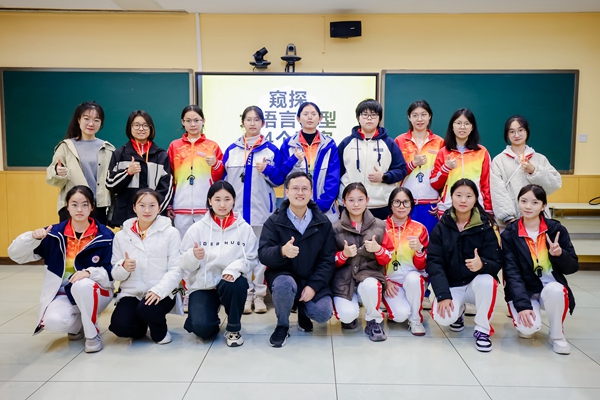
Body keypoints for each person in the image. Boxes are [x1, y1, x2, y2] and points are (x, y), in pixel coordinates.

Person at [8, 185, 114, 353]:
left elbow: (111, 272)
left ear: (92, 207)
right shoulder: (53, 233)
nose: (79, 209)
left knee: (82, 285)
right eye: (74, 204)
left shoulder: (105, 235)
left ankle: (92, 334)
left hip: (97, 291)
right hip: (64, 294)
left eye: (85, 204)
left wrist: (89, 273)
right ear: (67, 206)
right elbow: (15, 255)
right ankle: (78, 326)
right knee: (53, 322)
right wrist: (31, 238)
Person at [258, 171, 336, 348]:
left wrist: (313, 286)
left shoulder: (323, 222)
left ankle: (303, 311)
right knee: (285, 284)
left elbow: (327, 260)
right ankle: (282, 325)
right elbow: (263, 253)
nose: (300, 193)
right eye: (295, 188)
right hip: (284, 275)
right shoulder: (274, 221)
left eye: (304, 189)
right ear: (286, 192)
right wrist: (282, 251)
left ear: (311, 193)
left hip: (311, 277)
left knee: (323, 313)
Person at [180, 181, 258, 347]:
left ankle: (233, 328)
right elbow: (183, 263)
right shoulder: (197, 229)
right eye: (217, 199)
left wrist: (233, 269)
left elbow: (252, 259)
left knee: (235, 284)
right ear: (209, 201)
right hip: (204, 285)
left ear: (233, 200)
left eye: (227, 199)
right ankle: (207, 315)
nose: (222, 204)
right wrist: (193, 256)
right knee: (203, 330)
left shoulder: (244, 228)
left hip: (231, 283)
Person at [502, 184, 578, 354]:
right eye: (524, 201)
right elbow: (512, 273)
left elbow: (573, 266)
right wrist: (522, 305)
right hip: (526, 290)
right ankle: (522, 315)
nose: (528, 206)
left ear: (543, 206)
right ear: (518, 203)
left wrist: (560, 254)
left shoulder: (556, 230)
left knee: (556, 290)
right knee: (528, 329)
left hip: (550, 288)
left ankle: (557, 335)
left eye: (535, 202)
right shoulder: (509, 234)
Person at [428, 179, 502, 352]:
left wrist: (482, 264)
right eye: (458, 195)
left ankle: (482, 330)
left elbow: (497, 262)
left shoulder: (486, 226)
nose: (463, 200)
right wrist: (443, 295)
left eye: (468, 196)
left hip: (476, 286)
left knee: (487, 281)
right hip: (453, 285)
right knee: (442, 318)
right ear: (451, 197)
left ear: (476, 198)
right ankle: (458, 311)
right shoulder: (442, 227)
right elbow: (434, 262)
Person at [223, 106, 284, 314]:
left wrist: (267, 169)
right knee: (239, 253)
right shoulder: (231, 150)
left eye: (256, 119)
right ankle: (244, 294)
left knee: (259, 255)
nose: (252, 123)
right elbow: (222, 181)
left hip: (261, 213)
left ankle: (259, 295)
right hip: (237, 214)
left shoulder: (270, 150)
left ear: (263, 123)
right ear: (242, 122)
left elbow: (278, 180)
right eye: (248, 119)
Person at [109, 189, 183, 344]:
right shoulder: (121, 236)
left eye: (152, 205)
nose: (147, 210)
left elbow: (176, 269)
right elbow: (115, 273)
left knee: (147, 308)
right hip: (132, 292)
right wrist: (123, 267)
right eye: (142, 205)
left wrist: (158, 290)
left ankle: (160, 331)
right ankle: (142, 324)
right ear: (134, 207)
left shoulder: (171, 233)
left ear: (159, 207)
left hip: (161, 291)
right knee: (120, 327)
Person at [332, 182, 393, 341]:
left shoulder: (380, 225)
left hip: (369, 276)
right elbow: (329, 261)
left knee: (371, 285)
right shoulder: (335, 228)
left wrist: (377, 249)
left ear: (367, 200)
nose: (356, 204)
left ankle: (373, 320)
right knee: (346, 316)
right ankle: (351, 313)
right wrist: (343, 255)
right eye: (351, 200)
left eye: (360, 199)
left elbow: (388, 256)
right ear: (343, 202)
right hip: (344, 280)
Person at [46, 102, 115, 224]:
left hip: (98, 207)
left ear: (101, 123)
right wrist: (57, 172)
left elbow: (112, 181)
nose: (91, 123)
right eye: (86, 119)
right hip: (72, 206)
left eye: (96, 120)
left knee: (96, 242)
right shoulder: (66, 146)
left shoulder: (108, 149)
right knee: (71, 242)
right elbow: (52, 178)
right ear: (79, 120)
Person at [338, 99, 407, 219]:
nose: (369, 118)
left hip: (380, 205)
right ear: (358, 117)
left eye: (373, 115)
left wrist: (384, 177)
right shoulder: (346, 143)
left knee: (378, 238)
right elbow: (337, 172)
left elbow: (402, 170)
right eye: (365, 115)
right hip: (350, 204)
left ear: (379, 118)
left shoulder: (389, 143)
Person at [491, 115, 562, 228]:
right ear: (507, 135)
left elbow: (555, 184)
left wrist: (534, 171)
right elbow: (497, 191)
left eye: (520, 130)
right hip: (510, 223)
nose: (517, 135)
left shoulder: (539, 159)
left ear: (527, 131)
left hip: (538, 221)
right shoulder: (499, 161)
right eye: (512, 132)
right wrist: (509, 219)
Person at [106, 110, 173, 227]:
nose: (141, 129)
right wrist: (128, 173)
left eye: (145, 125)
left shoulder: (161, 155)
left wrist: (155, 209)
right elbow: (110, 184)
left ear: (151, 128)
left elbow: (167, 188)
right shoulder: (119, 154)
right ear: (130, 128)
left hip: (154, 218)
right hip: (126, 217)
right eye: (136, 125)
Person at [168, 105, 225, 237]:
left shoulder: (212, 146)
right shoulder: (174, 146)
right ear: (183, 122)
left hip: (205, 207)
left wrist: (215, 164)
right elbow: (169, 177)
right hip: (180, 207)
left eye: (196, 120)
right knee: (183, 247)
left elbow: (220, 178)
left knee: (206, 246)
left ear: (203, 121)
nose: (192, 124)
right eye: (188, 121)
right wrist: (169, 204)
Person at [280, 102, 340, 222]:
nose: (310, 117)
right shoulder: (288, 144)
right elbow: (282, 173)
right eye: (305, 114)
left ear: (320, 118)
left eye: (313, 114)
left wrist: (322, 204)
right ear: (298, 119)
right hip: (296, 207)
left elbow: (333, 177)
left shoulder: (329, 144)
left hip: (324, 209)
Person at [382, 187, 430, 336]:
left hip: (413, 279)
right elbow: (375, 260)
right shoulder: (380, 227)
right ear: (390, 205)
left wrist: (420, 250)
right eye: (397, 202)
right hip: (391, 282)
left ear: (411, 205)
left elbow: (423, 266)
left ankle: (416, 319)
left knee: (414, 279)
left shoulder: (420, 229)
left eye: (405, 202)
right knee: (400, 315)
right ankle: (400, 310)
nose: (401, 206)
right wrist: (386, 280)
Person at [430, 108, 493, 218]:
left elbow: (486, 184)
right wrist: (445, 168)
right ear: (452, 126)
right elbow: (435, 183)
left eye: (466, 123)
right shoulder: (443, 152)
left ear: (472, 127)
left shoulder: (482, 152)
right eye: (458, 123)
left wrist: (488, 209)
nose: (462, 127)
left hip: (476, 208)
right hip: (448, 207)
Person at [395, 100, 444, 234]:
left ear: (430, 116)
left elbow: (445, 175)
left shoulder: (439, 142)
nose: (419, 119)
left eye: (423, 114)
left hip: (431, 204)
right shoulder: (399, 141)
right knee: (406, 246)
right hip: (405, 204)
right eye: (415, 115)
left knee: (430, 246)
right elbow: (395, 173)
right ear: (409, 117)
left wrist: (442, 200)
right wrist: (412, 164)